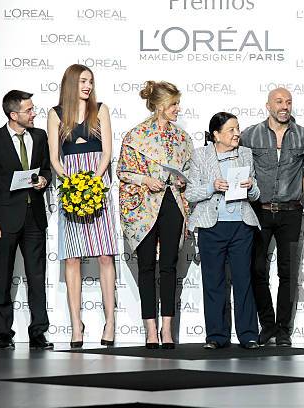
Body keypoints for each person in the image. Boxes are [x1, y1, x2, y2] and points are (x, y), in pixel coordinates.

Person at [47, 64, 118, 348]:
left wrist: (93, 183)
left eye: (90, 81)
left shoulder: (100, 109)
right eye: (83, 81)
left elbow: (107, 151)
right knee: (72, 259)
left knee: (104, 256)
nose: (87, 86)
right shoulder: (55, 113)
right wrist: (73, 185)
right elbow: (54, 157)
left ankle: (110, 321)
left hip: (97, 186)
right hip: (71, 188)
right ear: (71, 84)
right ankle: (77, 325)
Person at [117, 81, 192, 349]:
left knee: (169, 266)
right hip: (143, 207)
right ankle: (150, 329)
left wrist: (183, 181)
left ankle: (167, 328)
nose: (177, 109)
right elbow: (123, 171)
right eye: (173, 104)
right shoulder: (135, 136)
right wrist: (145, 179)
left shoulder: (182, 138)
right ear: (160, 106)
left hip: (172, 202)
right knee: (146, 266)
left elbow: (189, 171)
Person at [240, 87, 304, 346]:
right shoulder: (250, 135)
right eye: (279, 101)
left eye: (289, 102)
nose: (285, 106)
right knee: (257, 269)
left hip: (291, 213)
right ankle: (268, 324)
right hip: (258, 211)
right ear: (268, 105)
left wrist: (294, 191)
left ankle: (284, 330)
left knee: (287, 273)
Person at [0, 90, 53, 350]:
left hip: (34, 217)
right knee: (3, 277)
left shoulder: (40, 136)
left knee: (37, 276)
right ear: (13, 115)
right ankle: (4, 333)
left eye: (33, 109)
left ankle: (38, 332)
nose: (34, 113)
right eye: (29, 110)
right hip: (5, 220)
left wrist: (44, 180)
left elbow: (45, 170)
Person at [185, 112, 261, 350]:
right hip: (211, 225)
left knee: (243, 281)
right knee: (213, 281)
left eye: (237, 128)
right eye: (231, 130)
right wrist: (212, 186)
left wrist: (250, 188)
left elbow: (256, 194)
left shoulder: (246, 154)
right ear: (216, 135)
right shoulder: (200, 155)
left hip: (241, 225)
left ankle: (249, 335)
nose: (237, 133)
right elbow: (190, 193)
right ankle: (216, 336)